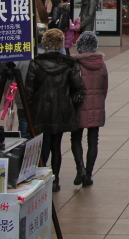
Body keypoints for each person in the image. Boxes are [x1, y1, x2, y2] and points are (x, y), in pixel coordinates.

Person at [24, 28, 83, 192]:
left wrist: (29, 109)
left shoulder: (35, 63)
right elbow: (78, 85)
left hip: (40, 108)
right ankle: (55, 179)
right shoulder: (69, 63)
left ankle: (40, 177)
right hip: (62, 108)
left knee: (41, 144)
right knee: (56, 145)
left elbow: (29, 90)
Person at [71, 31, 108, 187]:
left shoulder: (76, 64)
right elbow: (104, 88)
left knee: (76, 138)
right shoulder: (102, 65)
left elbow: (71, 86)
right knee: (93, 141)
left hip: (79, 106)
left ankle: (80, 168)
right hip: (97, 105)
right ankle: (89, 174)